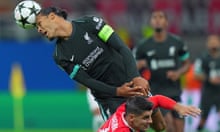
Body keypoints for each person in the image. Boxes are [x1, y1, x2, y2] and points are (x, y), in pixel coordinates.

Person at [35, 6, 166, 131]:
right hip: (109, 98)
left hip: (131, 84)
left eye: (39, 24)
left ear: (52, 16)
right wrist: (117, 91)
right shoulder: (60, 56)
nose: (39, 30)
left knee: (160, 126)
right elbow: (87, 81)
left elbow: (122, 47)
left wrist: (136, 76)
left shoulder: (90, 23)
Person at [135, 10, 191, 132]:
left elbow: (187, 64)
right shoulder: (143, 46)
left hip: (175, 92)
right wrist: (139, 67)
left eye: (161, 17)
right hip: (156, 94)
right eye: (154, 17)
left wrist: (178, 73)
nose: (157, 20)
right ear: (151, 22)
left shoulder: (177, 42)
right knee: (168, 126)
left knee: (179, 129)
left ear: (166, 22)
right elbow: (133, 67)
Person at [98, 95, 201, 132]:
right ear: (132, 118)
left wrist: (179, 107)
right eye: (146, 118)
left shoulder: (125, 109)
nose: (151, 121)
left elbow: (157, 99)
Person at [194, 35, 220, 132]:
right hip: (208, 93)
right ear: (207, 44)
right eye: (211, 42)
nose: (213, 44)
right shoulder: (203, 58)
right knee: (203, 119)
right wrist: (209, 79)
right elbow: (196, 74)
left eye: (215, 41)